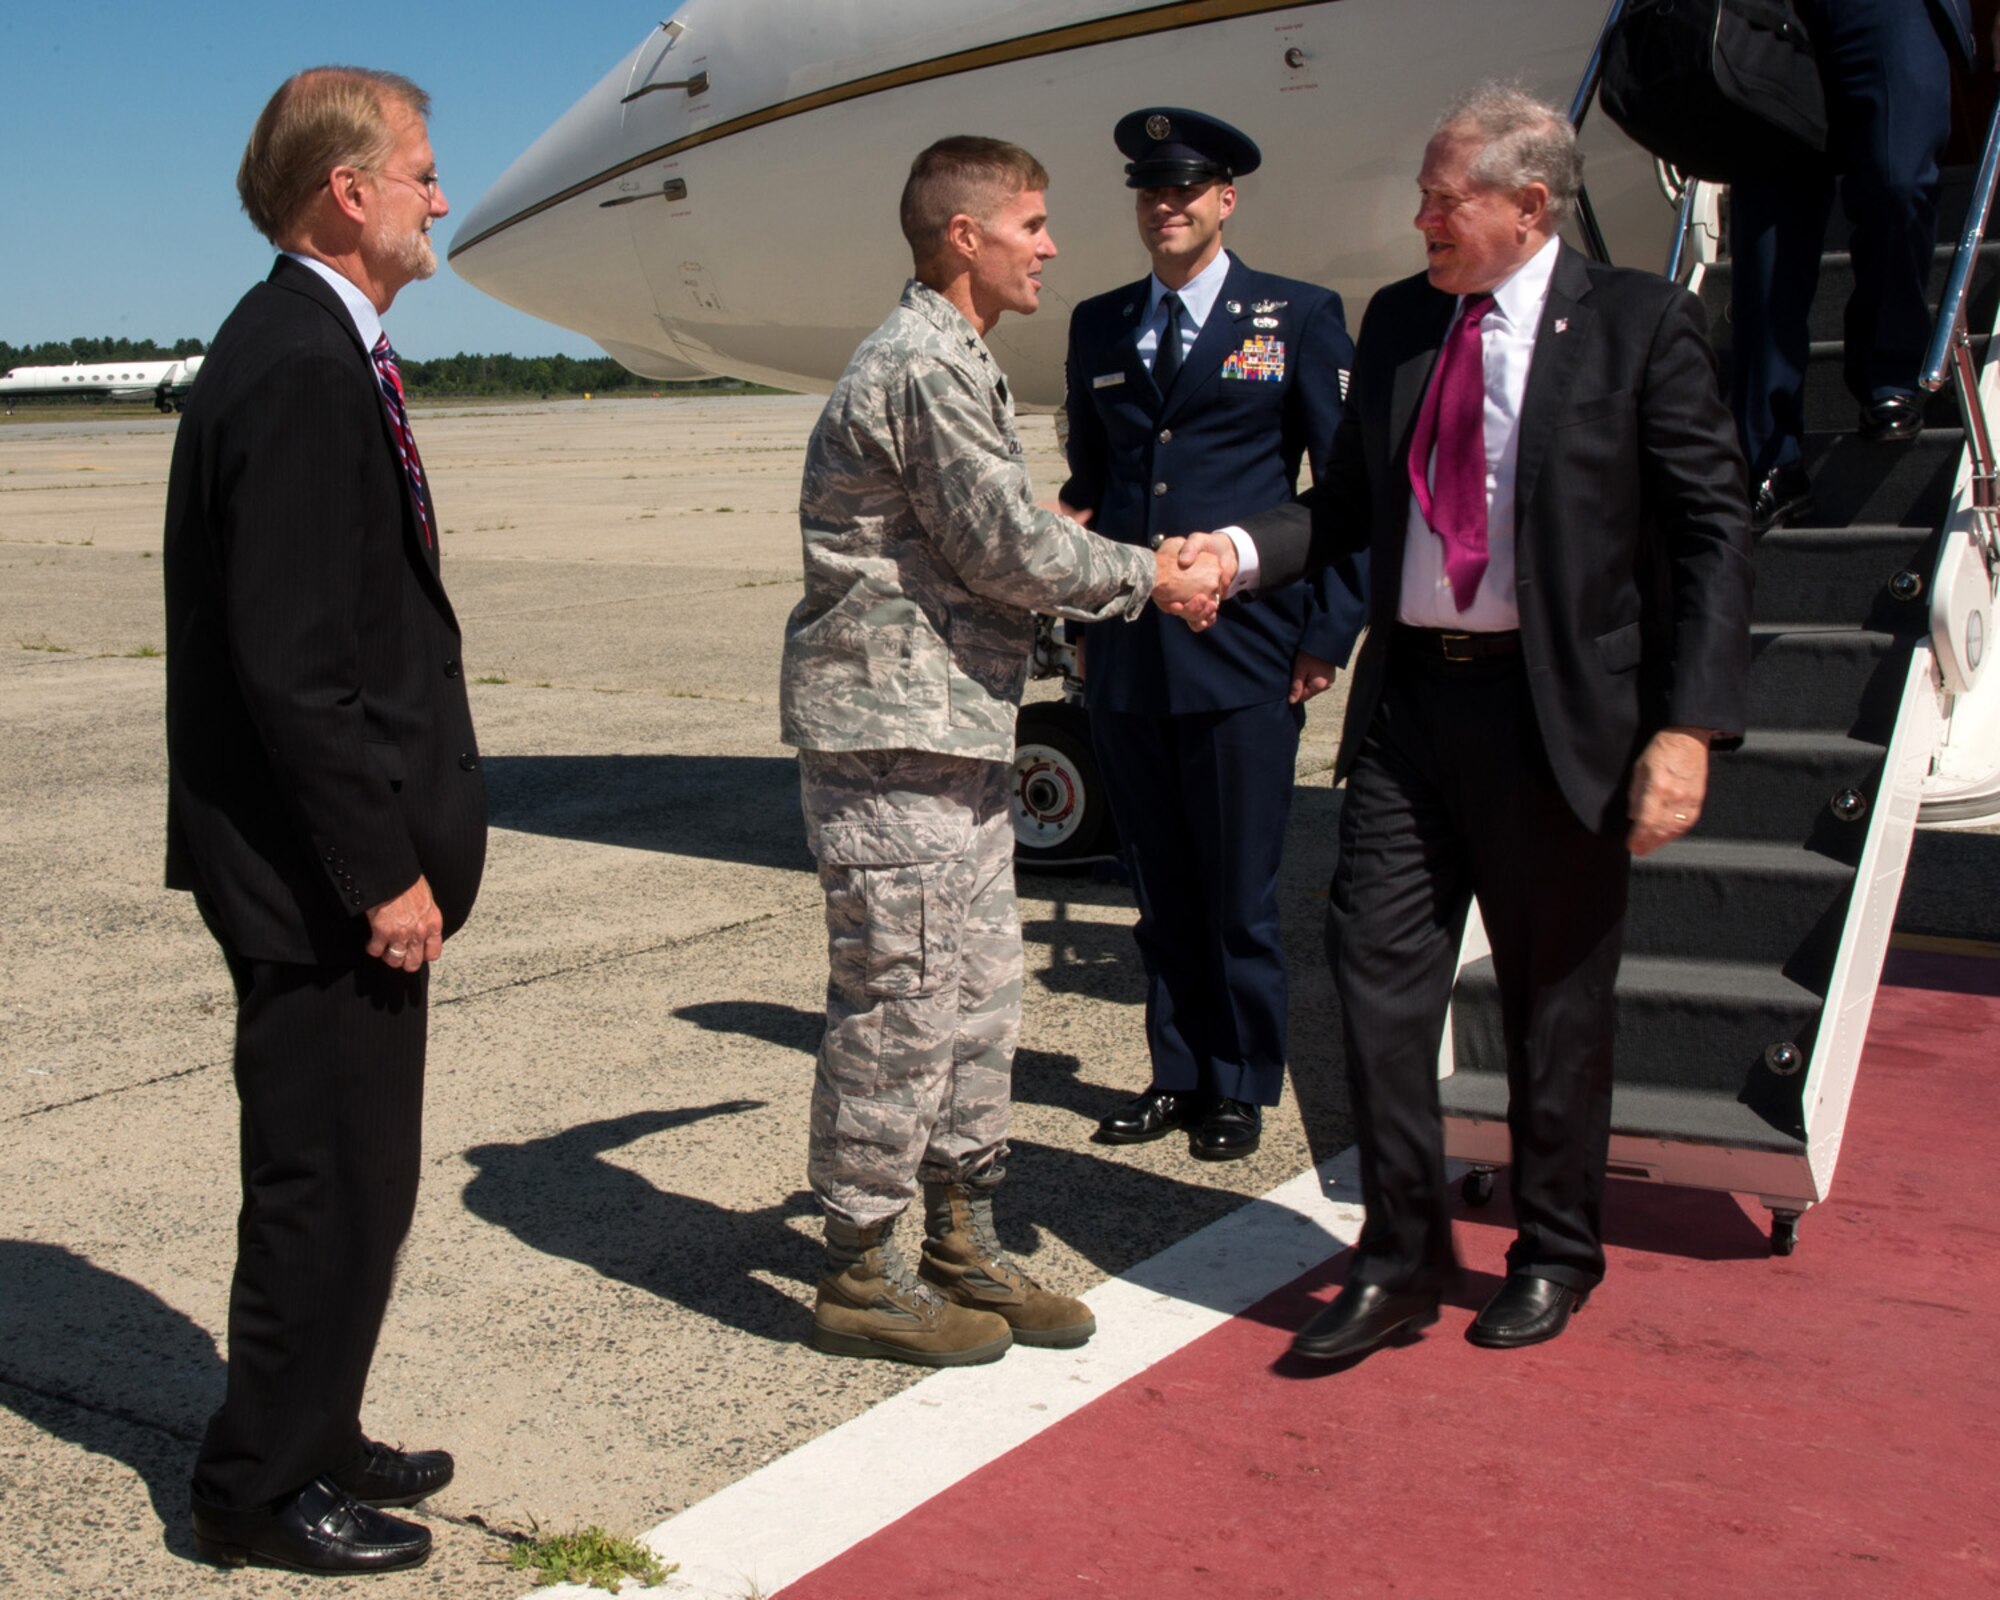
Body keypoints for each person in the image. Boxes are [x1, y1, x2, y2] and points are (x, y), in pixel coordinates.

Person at [1182, 83, 1753, 1360]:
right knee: (1375, 982)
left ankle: (1555, 1249)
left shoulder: (1640, 326)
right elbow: (1343, 512)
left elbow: (1713, 532)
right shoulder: (1397, 321)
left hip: (1561, 716)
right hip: (1413, 706)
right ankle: (1396, 1255)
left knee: (1557, 997)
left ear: (1528, 207)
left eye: (1445, 200)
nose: (1420, 218)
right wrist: (1228, 547)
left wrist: (1688, 727)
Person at [780, 136, 1227, 1367]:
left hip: (950, 730)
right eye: (1029, 222)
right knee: (901, 999)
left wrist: (1065, 542)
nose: (1050, 243)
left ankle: (960, 1236)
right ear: (963, 237)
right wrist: (1150, 574)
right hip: (893, 739)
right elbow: (1000, 552)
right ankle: (860, 1264)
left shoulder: (953, 357)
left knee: (977, 996)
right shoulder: (922, 360)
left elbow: (990, 533)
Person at [163, 67, 484, 1573]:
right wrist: (382, 871)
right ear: (346, 192)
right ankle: (255, 1489)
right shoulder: (295, 363)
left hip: (328, 871)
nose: (439, 195)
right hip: (317, 881)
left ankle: (321, 1424)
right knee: (321, 1181)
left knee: (367, 1174)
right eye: (418, 171)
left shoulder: (318, 346)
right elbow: (295, 667)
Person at [1062, 108, 1367, 1164]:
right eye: (1150, 188)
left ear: (1224, 198)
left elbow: (1350, 494)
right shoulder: (1098, 324)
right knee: (1157, 886)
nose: (1167, 204)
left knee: (1236, 888)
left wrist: (1325, 632)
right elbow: (1092, 488)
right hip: (1130, 650)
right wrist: (1080, 619)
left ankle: (1240, 1081)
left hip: (1248, 648)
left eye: (1187, 188)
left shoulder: (1296, 315)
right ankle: (1176, 1071)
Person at [1734, 0, 1975, 530]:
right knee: (1767, 232)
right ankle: (1771, 458)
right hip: (1769, 9)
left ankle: (1891, 373)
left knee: (1899, 183)